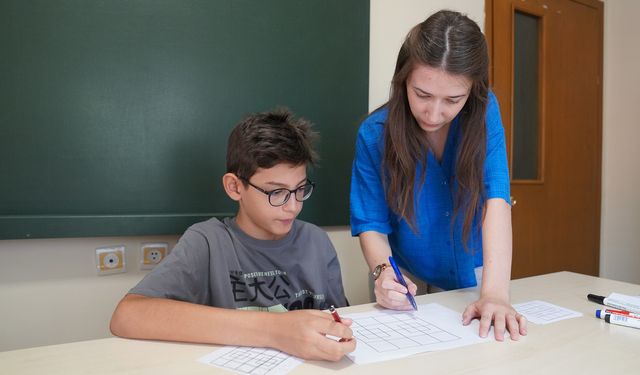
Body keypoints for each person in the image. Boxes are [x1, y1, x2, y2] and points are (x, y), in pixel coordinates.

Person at [110, 109, 355, 361]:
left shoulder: (316, 241)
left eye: (300, 189)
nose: (293, 206)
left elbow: (339, 321)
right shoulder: (207, 242)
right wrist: (275, 330)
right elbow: (127, 315)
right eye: (277, 192)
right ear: (235, 187)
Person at [350, 10, 527, 341]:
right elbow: (371, 223)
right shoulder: (374, 134)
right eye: (422, 95)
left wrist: (496, 294)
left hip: (476, 274)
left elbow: (496, 199)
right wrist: (384, 274)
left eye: (453, 100)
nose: (433, 114)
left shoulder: (485, 111)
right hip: (408, 280)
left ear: (473, 89)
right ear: (403, 79)